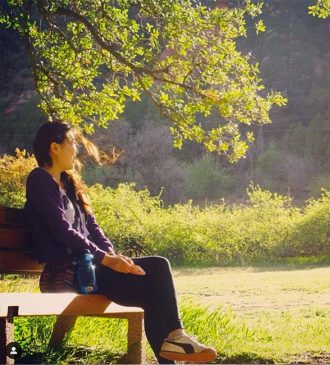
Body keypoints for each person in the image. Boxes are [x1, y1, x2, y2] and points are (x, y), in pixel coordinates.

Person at [24, 121, 217, 364]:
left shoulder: (70, 185)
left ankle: (175, 340)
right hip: (65, 274)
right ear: (54, 147)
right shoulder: (40, 180)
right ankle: (177, 339)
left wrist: (115, 258)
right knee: (156, 271)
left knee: (154, 273)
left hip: (90, 270)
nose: (76, 149)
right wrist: (107, 261)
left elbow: (93, 228)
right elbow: (63, 231)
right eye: (72, 143)